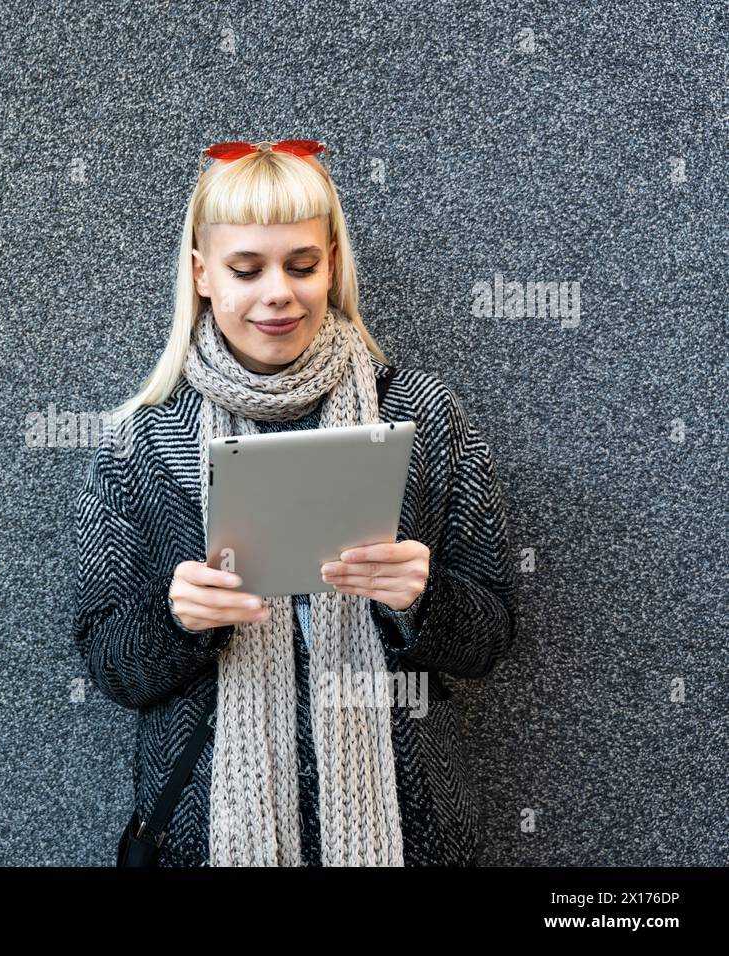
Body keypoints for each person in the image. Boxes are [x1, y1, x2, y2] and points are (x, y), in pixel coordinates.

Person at [71, 139, 518, 866]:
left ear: (333, 263)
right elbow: (110, 663)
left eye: (301, 264)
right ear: (202, 274)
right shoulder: (144, 442)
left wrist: (423, 599)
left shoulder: (423, 415)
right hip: (209, 835)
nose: (277, 290)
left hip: (410, 833)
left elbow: (492, 636)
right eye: (246, 269)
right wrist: (177, 619)